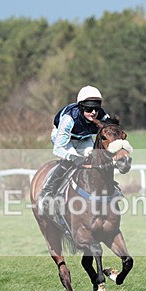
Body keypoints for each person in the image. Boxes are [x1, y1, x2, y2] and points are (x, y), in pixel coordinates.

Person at [38, 85, 110, 215]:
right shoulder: (69, 119)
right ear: (81, 107)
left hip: (84, 138)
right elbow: (58, 149)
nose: (93, 112)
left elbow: (112, 131)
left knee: (94, 159)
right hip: (65, 139)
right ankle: (48, 192)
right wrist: (73, 157)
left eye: (96, 108)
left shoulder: (103, 116)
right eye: (89, 108)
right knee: (70, 162)